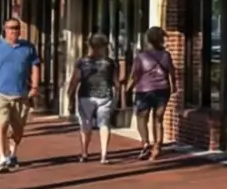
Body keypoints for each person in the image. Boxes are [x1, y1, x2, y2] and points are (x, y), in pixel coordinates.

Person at [0, 18, 42, 173]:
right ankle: (2, 158)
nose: (13, 31)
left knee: (18, 130)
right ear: (5, 30)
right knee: (1, 125)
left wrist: (35, 86)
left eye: (16, 28)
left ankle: (13, 153)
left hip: (21, 93)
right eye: (10, 28)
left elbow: (35, 66)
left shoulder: (28, 48)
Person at [126, 27, 175, 162]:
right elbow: (172, 73)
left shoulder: (141, 56)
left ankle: (145, 143)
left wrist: (128, 88)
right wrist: (174, 86)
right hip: (162, 90)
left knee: (141, 117)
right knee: (158, 119)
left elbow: (134, 75)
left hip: (144, 90)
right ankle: (157, 146)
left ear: (147, 39)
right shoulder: (166, 55)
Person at [72, 33, 118, 164]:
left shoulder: (82, 62)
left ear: (90, 46)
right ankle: (103, 154)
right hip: (104, 95)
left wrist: (70, 94)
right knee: (104, 124)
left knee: (86, 125)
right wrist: (118, 94)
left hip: (86, 95)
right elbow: (116, 82)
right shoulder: (110, 62)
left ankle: (85, 152)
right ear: (104, 47)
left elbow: (75, 79)